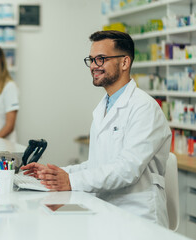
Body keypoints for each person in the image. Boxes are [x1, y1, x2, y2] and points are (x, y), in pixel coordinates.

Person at [21, 30, 171, 227]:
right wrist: (53, 175)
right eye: (91, 60)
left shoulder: (144, 108)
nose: (93, 66)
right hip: (105, 211)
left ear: (125, 62)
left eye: (101, 59)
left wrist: (70, 181)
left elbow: (127, 169)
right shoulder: (103, 107)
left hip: (137, 218)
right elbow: (97, 164)